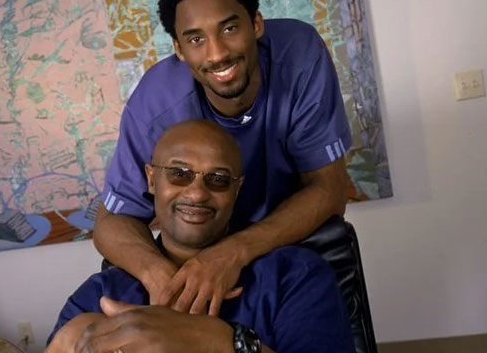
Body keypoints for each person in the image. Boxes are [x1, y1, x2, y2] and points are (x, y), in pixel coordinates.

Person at [91, 0, 352, 317]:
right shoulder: (154, 103)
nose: (217, 54)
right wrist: (164, 278)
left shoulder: (301, 54)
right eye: (196, 38)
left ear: (256, 23)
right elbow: (109, 223)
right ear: (179, 50)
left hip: (283, 252)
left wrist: (231, 253)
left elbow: (331, 189)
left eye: (229, 29)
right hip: (190, 265)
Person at [48, 120, 354, 353]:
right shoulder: (97, 297)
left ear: (237, 189)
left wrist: (221, 340)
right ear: (152, 179)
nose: (196, 193)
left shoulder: (294, 277)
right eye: (179, 174)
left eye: (218, 179)